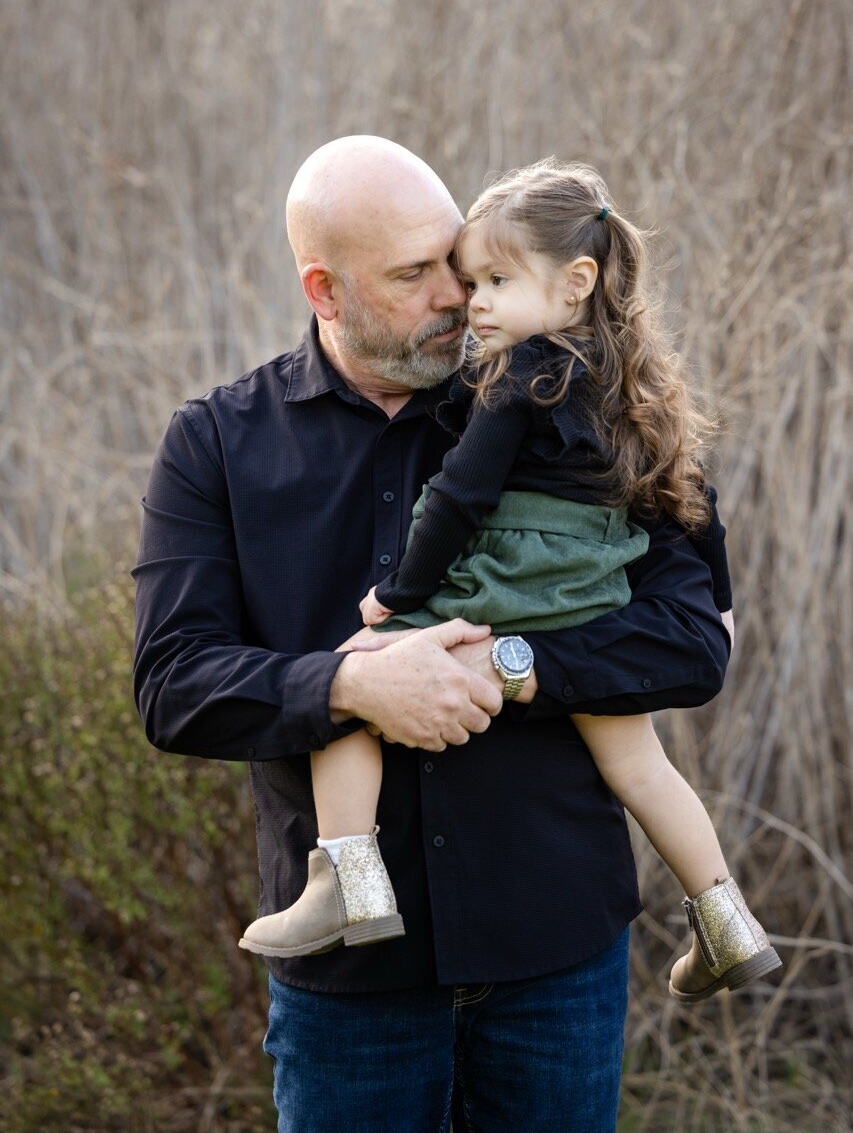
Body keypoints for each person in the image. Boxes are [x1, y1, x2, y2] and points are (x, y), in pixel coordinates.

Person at [133, 136, 735, 1133]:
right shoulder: (217, 444)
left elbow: (691, 641)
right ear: (325, 288)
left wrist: (511, 668)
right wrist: (351, 685)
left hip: (556, 952)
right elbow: (173, 683)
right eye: (414, 276)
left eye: (457, 261)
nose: (457, 295)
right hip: (351, 996)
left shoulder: (566, 405)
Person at [238, 157, 781, 1007]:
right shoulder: (630, 377)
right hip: (596, 587)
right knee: (639, 765)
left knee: (353, 676)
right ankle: (724, 919)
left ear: (573, 284)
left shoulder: (518, 376)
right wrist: (720, 599)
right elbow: (691, 498)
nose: (471, 301)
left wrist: (396, 597)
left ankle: (349, 876)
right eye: (459, 278)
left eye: (491, 280)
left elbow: (458, 496)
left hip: (514, 575)